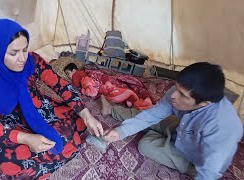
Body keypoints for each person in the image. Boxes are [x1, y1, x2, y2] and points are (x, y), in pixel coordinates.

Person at [0, 18, 104, 179]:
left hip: (36, 106)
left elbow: (60, 85)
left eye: (24, 50)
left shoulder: (32, 60)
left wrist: (86, 113)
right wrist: (26, 139)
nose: (22, 58)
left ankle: (51, 150)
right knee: (5, 152)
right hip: (9, 122)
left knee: (76, 123)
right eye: (13, 53)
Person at [104, 62, 243, 179]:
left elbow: (209, 171)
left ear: (204, 103)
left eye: (182, 95)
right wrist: (120, 132)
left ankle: (187, 165)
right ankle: (112, 110)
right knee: (148, 117)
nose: (173, 95)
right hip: (182, 129)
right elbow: (152, 115)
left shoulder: (223, 126)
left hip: (197, 156)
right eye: (176, 87)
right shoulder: (178, 93)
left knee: (146, 145)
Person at [64, 63, 153, 110]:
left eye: (68, 73)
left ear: (74, 70)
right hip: (98, 83)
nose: (68, 76)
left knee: (108, 90)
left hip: (94, 83)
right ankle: (129, 97)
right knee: (115, 89)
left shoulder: (76, 74)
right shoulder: (83, 73)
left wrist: (79, 89)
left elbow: (75, 86)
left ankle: (128, 96)